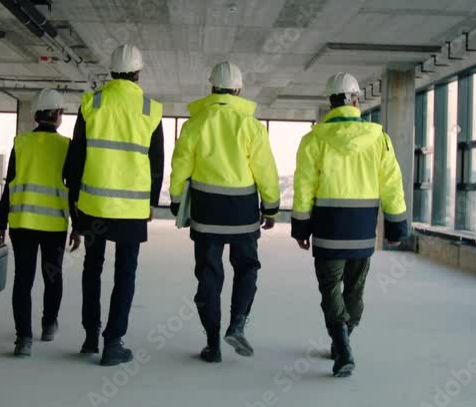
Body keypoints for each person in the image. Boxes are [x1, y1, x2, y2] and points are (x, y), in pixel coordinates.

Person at [291, 72, 409, 378]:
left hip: (328, 230)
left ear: (330, 103)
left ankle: (341, 345)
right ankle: (344, 336)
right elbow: (392, 185)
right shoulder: (378, 138)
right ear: (356, 101)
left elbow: (304, 187)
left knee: (331, 289)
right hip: (361, 232)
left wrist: (301, 228)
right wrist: (397, 227)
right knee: (355, 291)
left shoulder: (314, 140)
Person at [169, 61, 280, 363]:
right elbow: (265, 170)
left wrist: (177, 200)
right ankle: (238, 324)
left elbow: (181, 164)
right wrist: (270, 207)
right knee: (246, 268)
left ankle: (212, 343)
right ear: (239, 90)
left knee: (208, 275)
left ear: (212, 88)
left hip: (206, 212)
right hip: (243, 212)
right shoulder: (251, 126)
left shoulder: (196, 123)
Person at [63, 43, 164, 367]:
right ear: (138, 72)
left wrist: (74, 202)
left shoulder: (92, 103)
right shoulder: (151, 109)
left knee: (92, 268)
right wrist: (150, 201)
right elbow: (157, 162)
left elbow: (76, 156)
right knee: (126, 273)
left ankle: (90, 336)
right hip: (131, 209)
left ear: (112, 71)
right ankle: (113, 342)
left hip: (93, 203)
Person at [0, 89, 76, 358]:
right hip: (54, 225)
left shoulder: (21, 142)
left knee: (23, 279)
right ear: (58, 116)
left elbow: (9, 185)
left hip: (22, 224)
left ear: (36, 115)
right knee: (53, 276)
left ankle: (23, 339)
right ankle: (49, 324)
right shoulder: (67, 146)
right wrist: (78, 225)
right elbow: (73, 189)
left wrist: (0, 224)